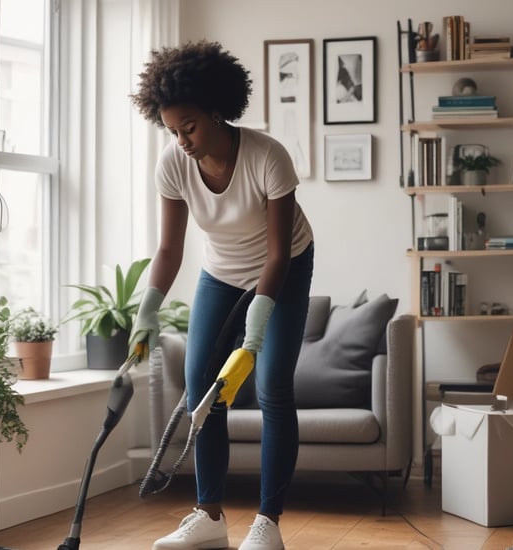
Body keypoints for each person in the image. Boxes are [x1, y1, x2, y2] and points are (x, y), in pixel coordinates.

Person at [130, 40, 314, 550]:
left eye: (188, 126)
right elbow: (169, 250)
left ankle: (268, 523)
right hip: (221, 272)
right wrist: (147, 311)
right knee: (202, 389)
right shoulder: (173, 165)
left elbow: (278, 253)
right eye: (172, 130)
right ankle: (208, 516)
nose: (182, 140)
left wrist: (256, 326)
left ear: (215, 111)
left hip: (286, 266)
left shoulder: (267, 156)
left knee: (272, 385)